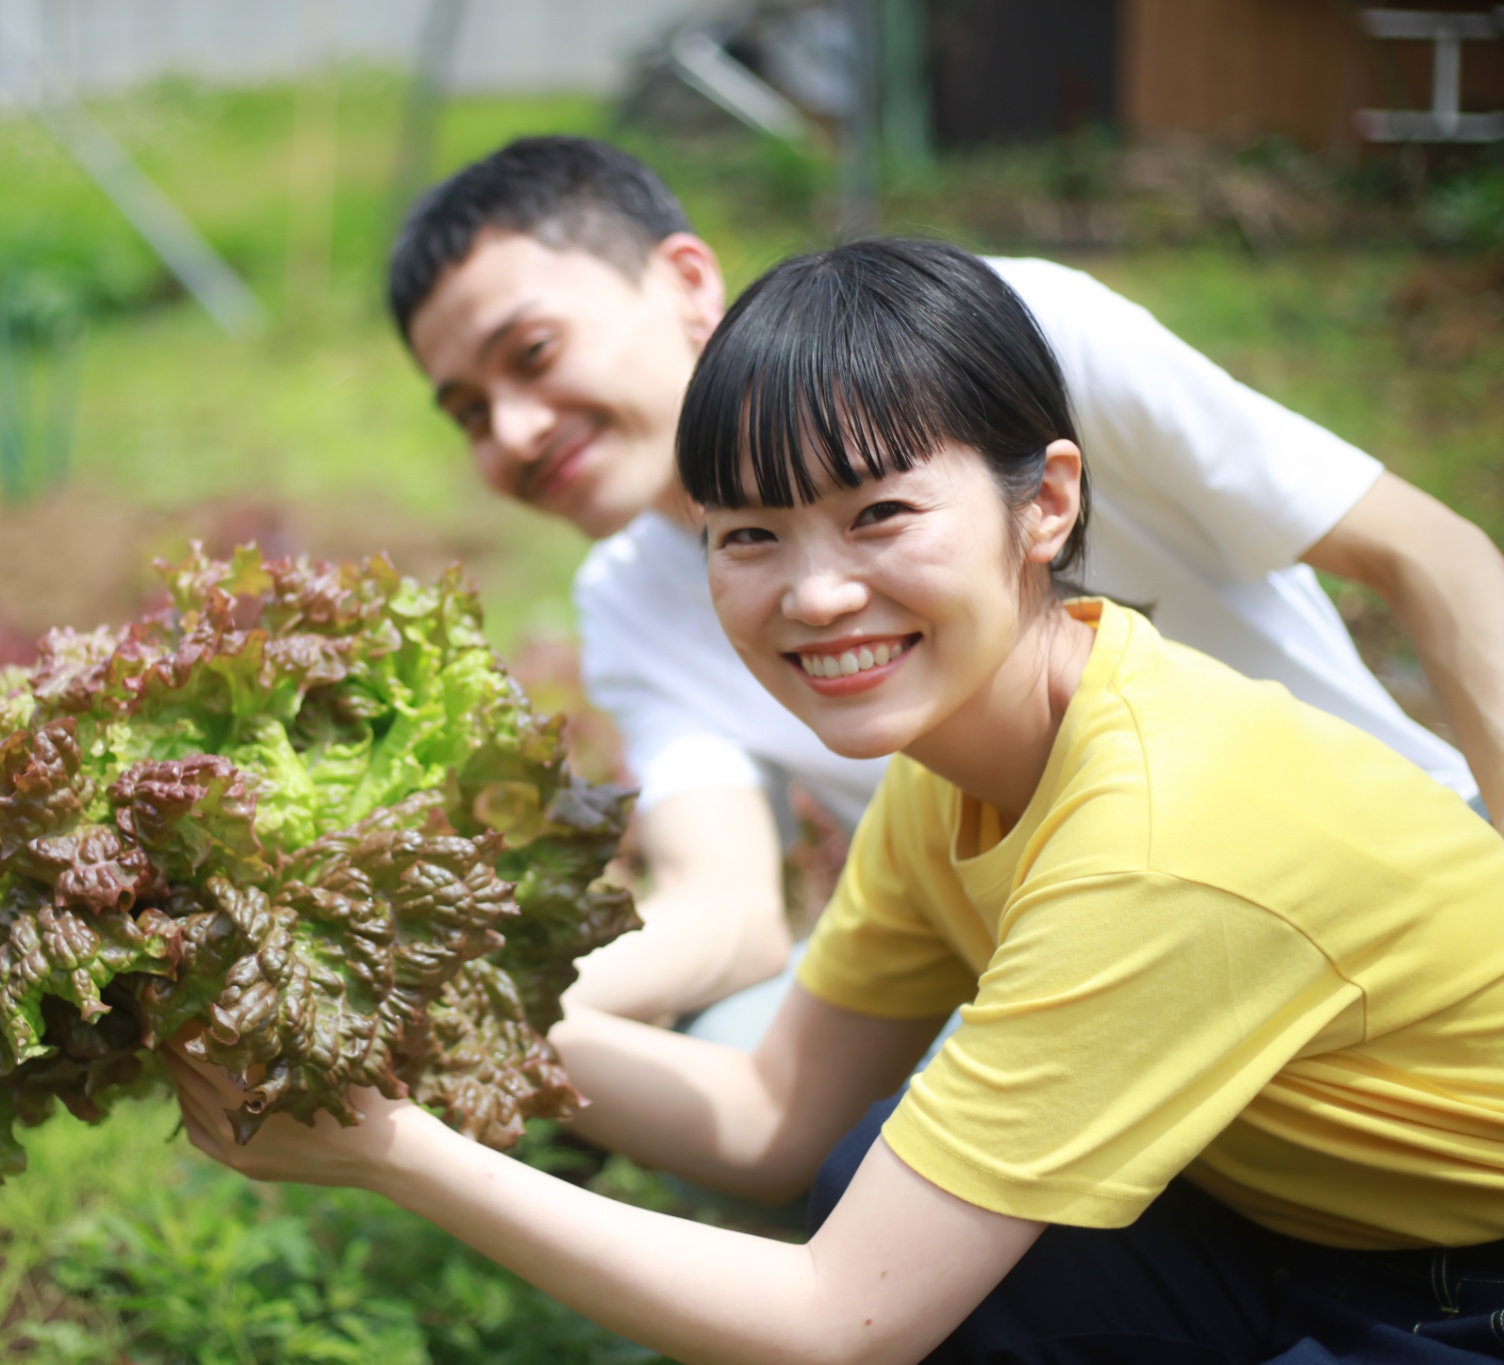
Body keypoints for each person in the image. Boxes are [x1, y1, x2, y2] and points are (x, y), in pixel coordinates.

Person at [170, 240, 1504, 1363]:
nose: (812, 596)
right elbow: (770, 1112)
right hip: (1270, 1211)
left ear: (1045, 503)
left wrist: (396, 1149)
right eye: (750, 536)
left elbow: (840, 1323)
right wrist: (414, 1018)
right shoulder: (965, 764)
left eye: (878, 516)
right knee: (869, 1168)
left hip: (1466, 1280)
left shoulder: (1156, 835)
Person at [387, 136, 1504, 1031]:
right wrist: (459, 1006)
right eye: (469, 414)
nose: (516, 434)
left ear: (681, 280)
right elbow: (724, 914)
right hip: (1066, 978)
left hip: (1375, 895)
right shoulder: (628, 598)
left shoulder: (1007, 344)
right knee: (740, 1047)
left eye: (529, 355)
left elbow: (1431, 554)